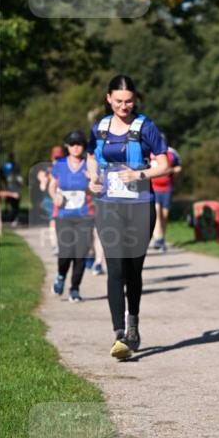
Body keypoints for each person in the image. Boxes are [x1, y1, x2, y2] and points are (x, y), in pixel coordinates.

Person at [86, 75, 169, 360]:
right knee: (115, 267)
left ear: (136, 99)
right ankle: (120, 334)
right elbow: (91, 156)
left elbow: (165, 164)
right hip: (109, 204)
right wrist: (92, 177)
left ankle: (133, 325)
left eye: (129, 101)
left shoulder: (146, 127)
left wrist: (139, 174)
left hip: (140, 204)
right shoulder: (100, 127)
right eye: (119, 101)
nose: (124, 106)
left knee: (133, 269)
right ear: (108, 98)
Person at [48, 131, 94, 302]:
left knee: (81, 254)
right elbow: (52, 186)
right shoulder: (59, 164)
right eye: (72, 144)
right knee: (66, 253)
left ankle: (75, 288)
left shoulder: (90, 165)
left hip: (85, 216)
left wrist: (94, 180)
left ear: (83, 147)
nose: (76, 147)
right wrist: (55, 197)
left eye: (79, 144)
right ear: (67, 146)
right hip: (64, 215)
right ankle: (60, 276)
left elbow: (101, 187)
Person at [150, 137, 182, 252]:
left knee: (164, 215)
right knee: (157, 213)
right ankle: (158, 239)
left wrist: (170, 170)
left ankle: (161, 238)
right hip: (153, 187)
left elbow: (179, 167)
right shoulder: (150, 152)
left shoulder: (172, 152)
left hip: (167, 188)